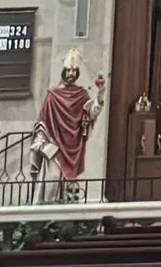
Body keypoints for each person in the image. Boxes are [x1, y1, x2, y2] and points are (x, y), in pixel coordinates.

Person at [31, 53, 107, 186]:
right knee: (53, 180)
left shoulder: (82, 95)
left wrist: (100, 94)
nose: (71, 73)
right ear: (63, 72)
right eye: (68, 70)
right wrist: (40, 140)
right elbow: (43, 120)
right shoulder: (53, 95)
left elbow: (91, 112)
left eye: (73, 70)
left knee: (67, 186)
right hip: (55, 143)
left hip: (73, 144)